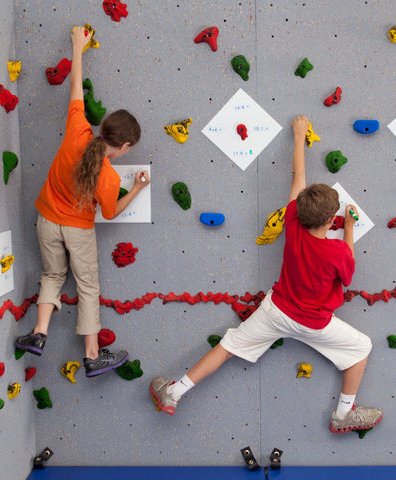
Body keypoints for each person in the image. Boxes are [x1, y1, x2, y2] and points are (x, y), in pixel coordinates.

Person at [150, 115, 382, 434]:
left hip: (275, 312)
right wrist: (351, 229)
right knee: (362, 347)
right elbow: (349, 273)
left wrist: (298, 136)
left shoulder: (292, 223)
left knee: (227, 346)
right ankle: (343, 414)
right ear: (331, 221)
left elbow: (298, 176)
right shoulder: (338, 251)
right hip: (314, 323)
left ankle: (172, 394)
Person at [15, 27, 150, 377]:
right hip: (77, 229)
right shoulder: (108, 178)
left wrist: (78, 48)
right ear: (124, 148)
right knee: (88, 286)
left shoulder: (78, 129)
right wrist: (134, 190)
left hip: (46, 220)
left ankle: (39, 333)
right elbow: (111, 212)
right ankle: (92, 355)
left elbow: (75, 89)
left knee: (52, 274)